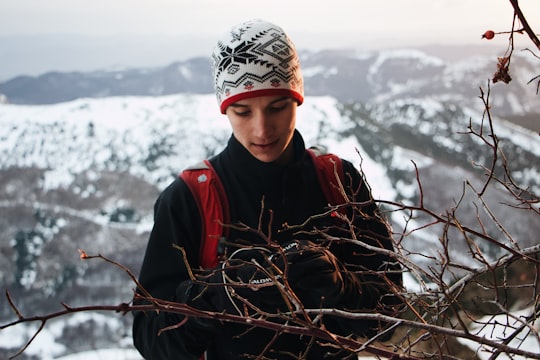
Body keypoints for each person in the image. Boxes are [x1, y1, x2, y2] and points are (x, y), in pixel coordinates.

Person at [132, 19, 402, 359]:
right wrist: (218, 295)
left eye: (277, 107)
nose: (262, 130)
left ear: (297, 100)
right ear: (225, 110)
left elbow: (392, 311)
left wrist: (343, 288)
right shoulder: (189, 199)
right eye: (243, 111)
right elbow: (150, 338)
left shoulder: (338, 181)